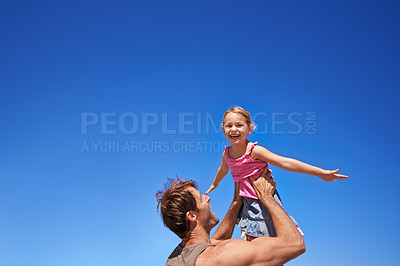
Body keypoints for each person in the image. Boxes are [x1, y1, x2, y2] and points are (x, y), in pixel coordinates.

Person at [206, 106, 348, 240]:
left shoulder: (254, 151)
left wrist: (320, 172)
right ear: (223, 129)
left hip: (264, 198)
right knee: (253, 239)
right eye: (229, 126)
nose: (233, 129)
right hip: (246, 201)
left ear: (249, 129)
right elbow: (223, 169)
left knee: (270, 237)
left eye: (239, 125)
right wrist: (214, 184)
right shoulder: (227, 154)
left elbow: (285, 162)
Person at [155, 168, 306, 266]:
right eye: (201, 199)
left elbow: (216, 241)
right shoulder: (226, 254)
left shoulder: (175, 259)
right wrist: (266, 196)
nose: (207, 198)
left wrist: (236, 202)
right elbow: (294, 245)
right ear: (192, 216)